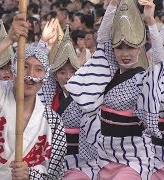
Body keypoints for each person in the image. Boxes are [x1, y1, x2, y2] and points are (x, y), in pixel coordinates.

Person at [65, 0, 163, 179]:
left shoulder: (144, 79)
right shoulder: (105, 74)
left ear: (141, 48)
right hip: (103, 157)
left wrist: (150, 21)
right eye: (119, 47)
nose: (125, 54)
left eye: (131, 47)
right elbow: (102, 40)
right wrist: (111, 7)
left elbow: (158, 61)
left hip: (133, 158)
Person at [0, 13, 67, 179]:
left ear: (45, 78)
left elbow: (55, 174)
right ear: (14, 70)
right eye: (24, 67)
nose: (30, 75)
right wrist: (8, 40)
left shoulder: (53, 122)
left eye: (38, 70)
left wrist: (29, 175)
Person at [49, 25, 99, 179]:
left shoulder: (87, 97)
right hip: (53, 159)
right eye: (62, 72)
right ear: (56, 75)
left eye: (72, 71)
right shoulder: (49, 95)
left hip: (82, 160)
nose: (67, 76)